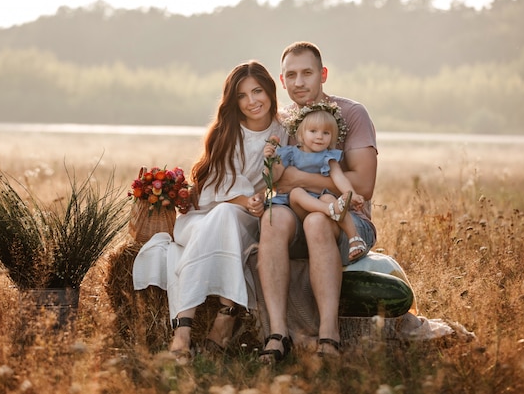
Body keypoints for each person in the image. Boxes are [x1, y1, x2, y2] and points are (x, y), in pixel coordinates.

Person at [132, 60, 288, 363]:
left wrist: (261, 199)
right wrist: (245, 201)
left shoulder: (284, 132)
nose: (251, 101)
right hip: (203, 216)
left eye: (257, 91)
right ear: (233, 100)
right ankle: (222, 314)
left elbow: (283, 178)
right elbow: (215, 190)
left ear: (270, 90)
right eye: (242, 95)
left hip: (251, 219)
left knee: (229, 220)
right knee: (223, 216)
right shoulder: (226, 131)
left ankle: (184, 327)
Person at [256, 41, 378, 362]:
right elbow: (273, 179)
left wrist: (299, 178)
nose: (299, 82)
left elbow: (363, 183)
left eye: (307, 73)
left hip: (347, 221)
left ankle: (329, 334)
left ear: (322, 74)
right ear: (282, 81)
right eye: (291, 75)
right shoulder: (280, 121)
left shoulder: (351, 113)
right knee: (272, 219)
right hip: (295, 213)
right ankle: (278, 333)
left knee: (316, 220)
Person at [263, 102, 369, 263]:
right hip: (299, 204)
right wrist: (270, 160)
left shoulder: (329, 156)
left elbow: (339, 177)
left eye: (325, 133)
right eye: (313, 131)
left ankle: (355, 239)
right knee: (297, 192)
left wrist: (351, 194)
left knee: (330, 198)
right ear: (301, 134)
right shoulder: (290, 153)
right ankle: (330, 209)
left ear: (332, 137)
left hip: (320, 201)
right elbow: (274, 178)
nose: (319, 136)